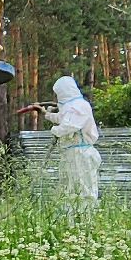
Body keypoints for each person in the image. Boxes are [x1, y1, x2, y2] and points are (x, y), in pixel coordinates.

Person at [45, 76, 100, 205]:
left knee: (85, 189)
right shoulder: (71, 106)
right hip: (71, 153)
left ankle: (87, 220)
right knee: (69, 189)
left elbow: (70, 126)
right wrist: (48, 115)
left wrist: (55, 130)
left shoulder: (80, 106)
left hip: (81, 153)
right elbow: (63, 117)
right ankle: (71, 221)